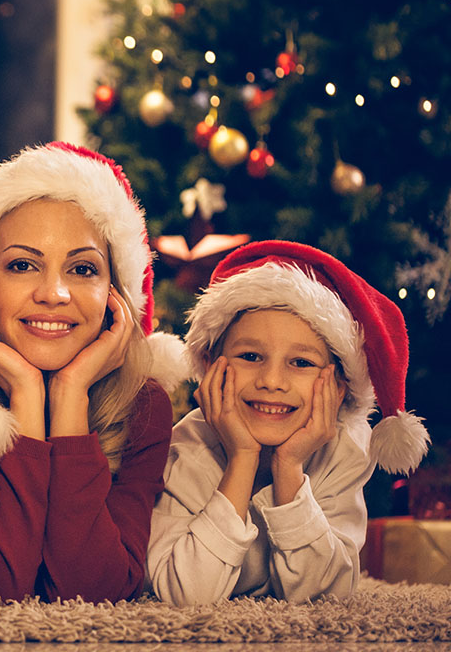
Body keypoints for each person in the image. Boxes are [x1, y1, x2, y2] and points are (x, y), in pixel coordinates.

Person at [0, 141, 189, 602]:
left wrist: (71, 394)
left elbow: (94, 590)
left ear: (116, 293)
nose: (54, 293)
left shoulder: (143, 407)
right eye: (23, 265)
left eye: (83, 268)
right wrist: (26, 398)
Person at [147, 240, 429, 605]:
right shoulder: (186, 448)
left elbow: (326, 596)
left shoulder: (343, 452)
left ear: (338, 387)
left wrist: (289, 467)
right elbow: (186, 596)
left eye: (300, 363)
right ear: (212, 366)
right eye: (250, 356)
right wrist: (242, 458)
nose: (272, 381)